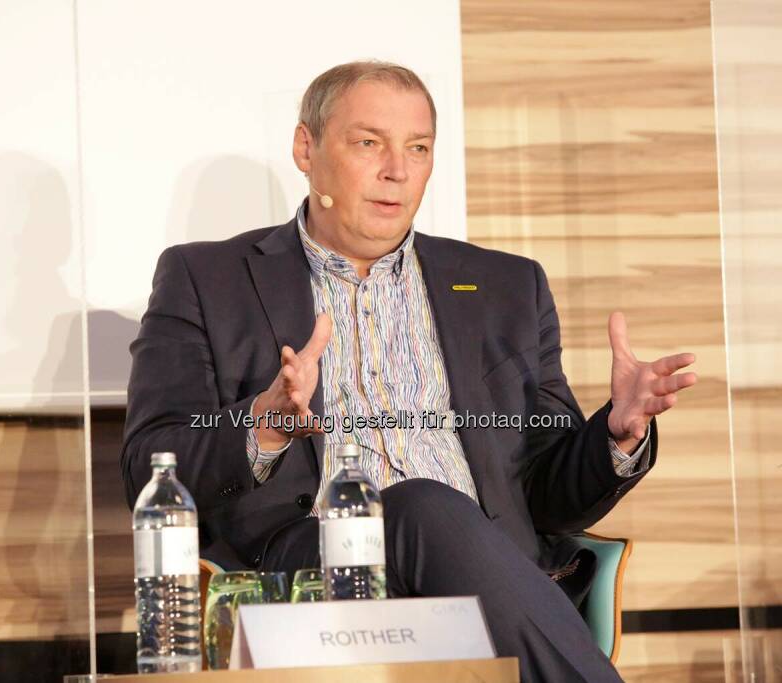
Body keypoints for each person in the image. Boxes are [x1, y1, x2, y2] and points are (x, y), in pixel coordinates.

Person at [121, 60, 696, 682]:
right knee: (422, 506)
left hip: (481, 581)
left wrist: (615, 433)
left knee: (438, 516)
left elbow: (549, 500)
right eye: (369, 143)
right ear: (306, 148)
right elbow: (149, 463)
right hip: (310, 571)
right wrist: (264, 424)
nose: (397, 170)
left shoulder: (507, 287)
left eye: (418, 148)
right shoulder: (207, 279)